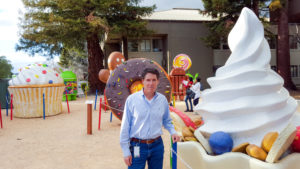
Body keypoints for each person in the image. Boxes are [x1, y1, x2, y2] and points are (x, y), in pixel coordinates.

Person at [120, 68, 180, 169]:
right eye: (148, 80)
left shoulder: (162, 100)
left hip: (157, 146)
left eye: (154, 80)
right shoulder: (132, 100)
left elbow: (167, 120)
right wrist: (126, 151)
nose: (151, 83)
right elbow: (125, 126)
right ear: (142, 81)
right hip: (137, 147)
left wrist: (173, 131)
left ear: (158, 81)